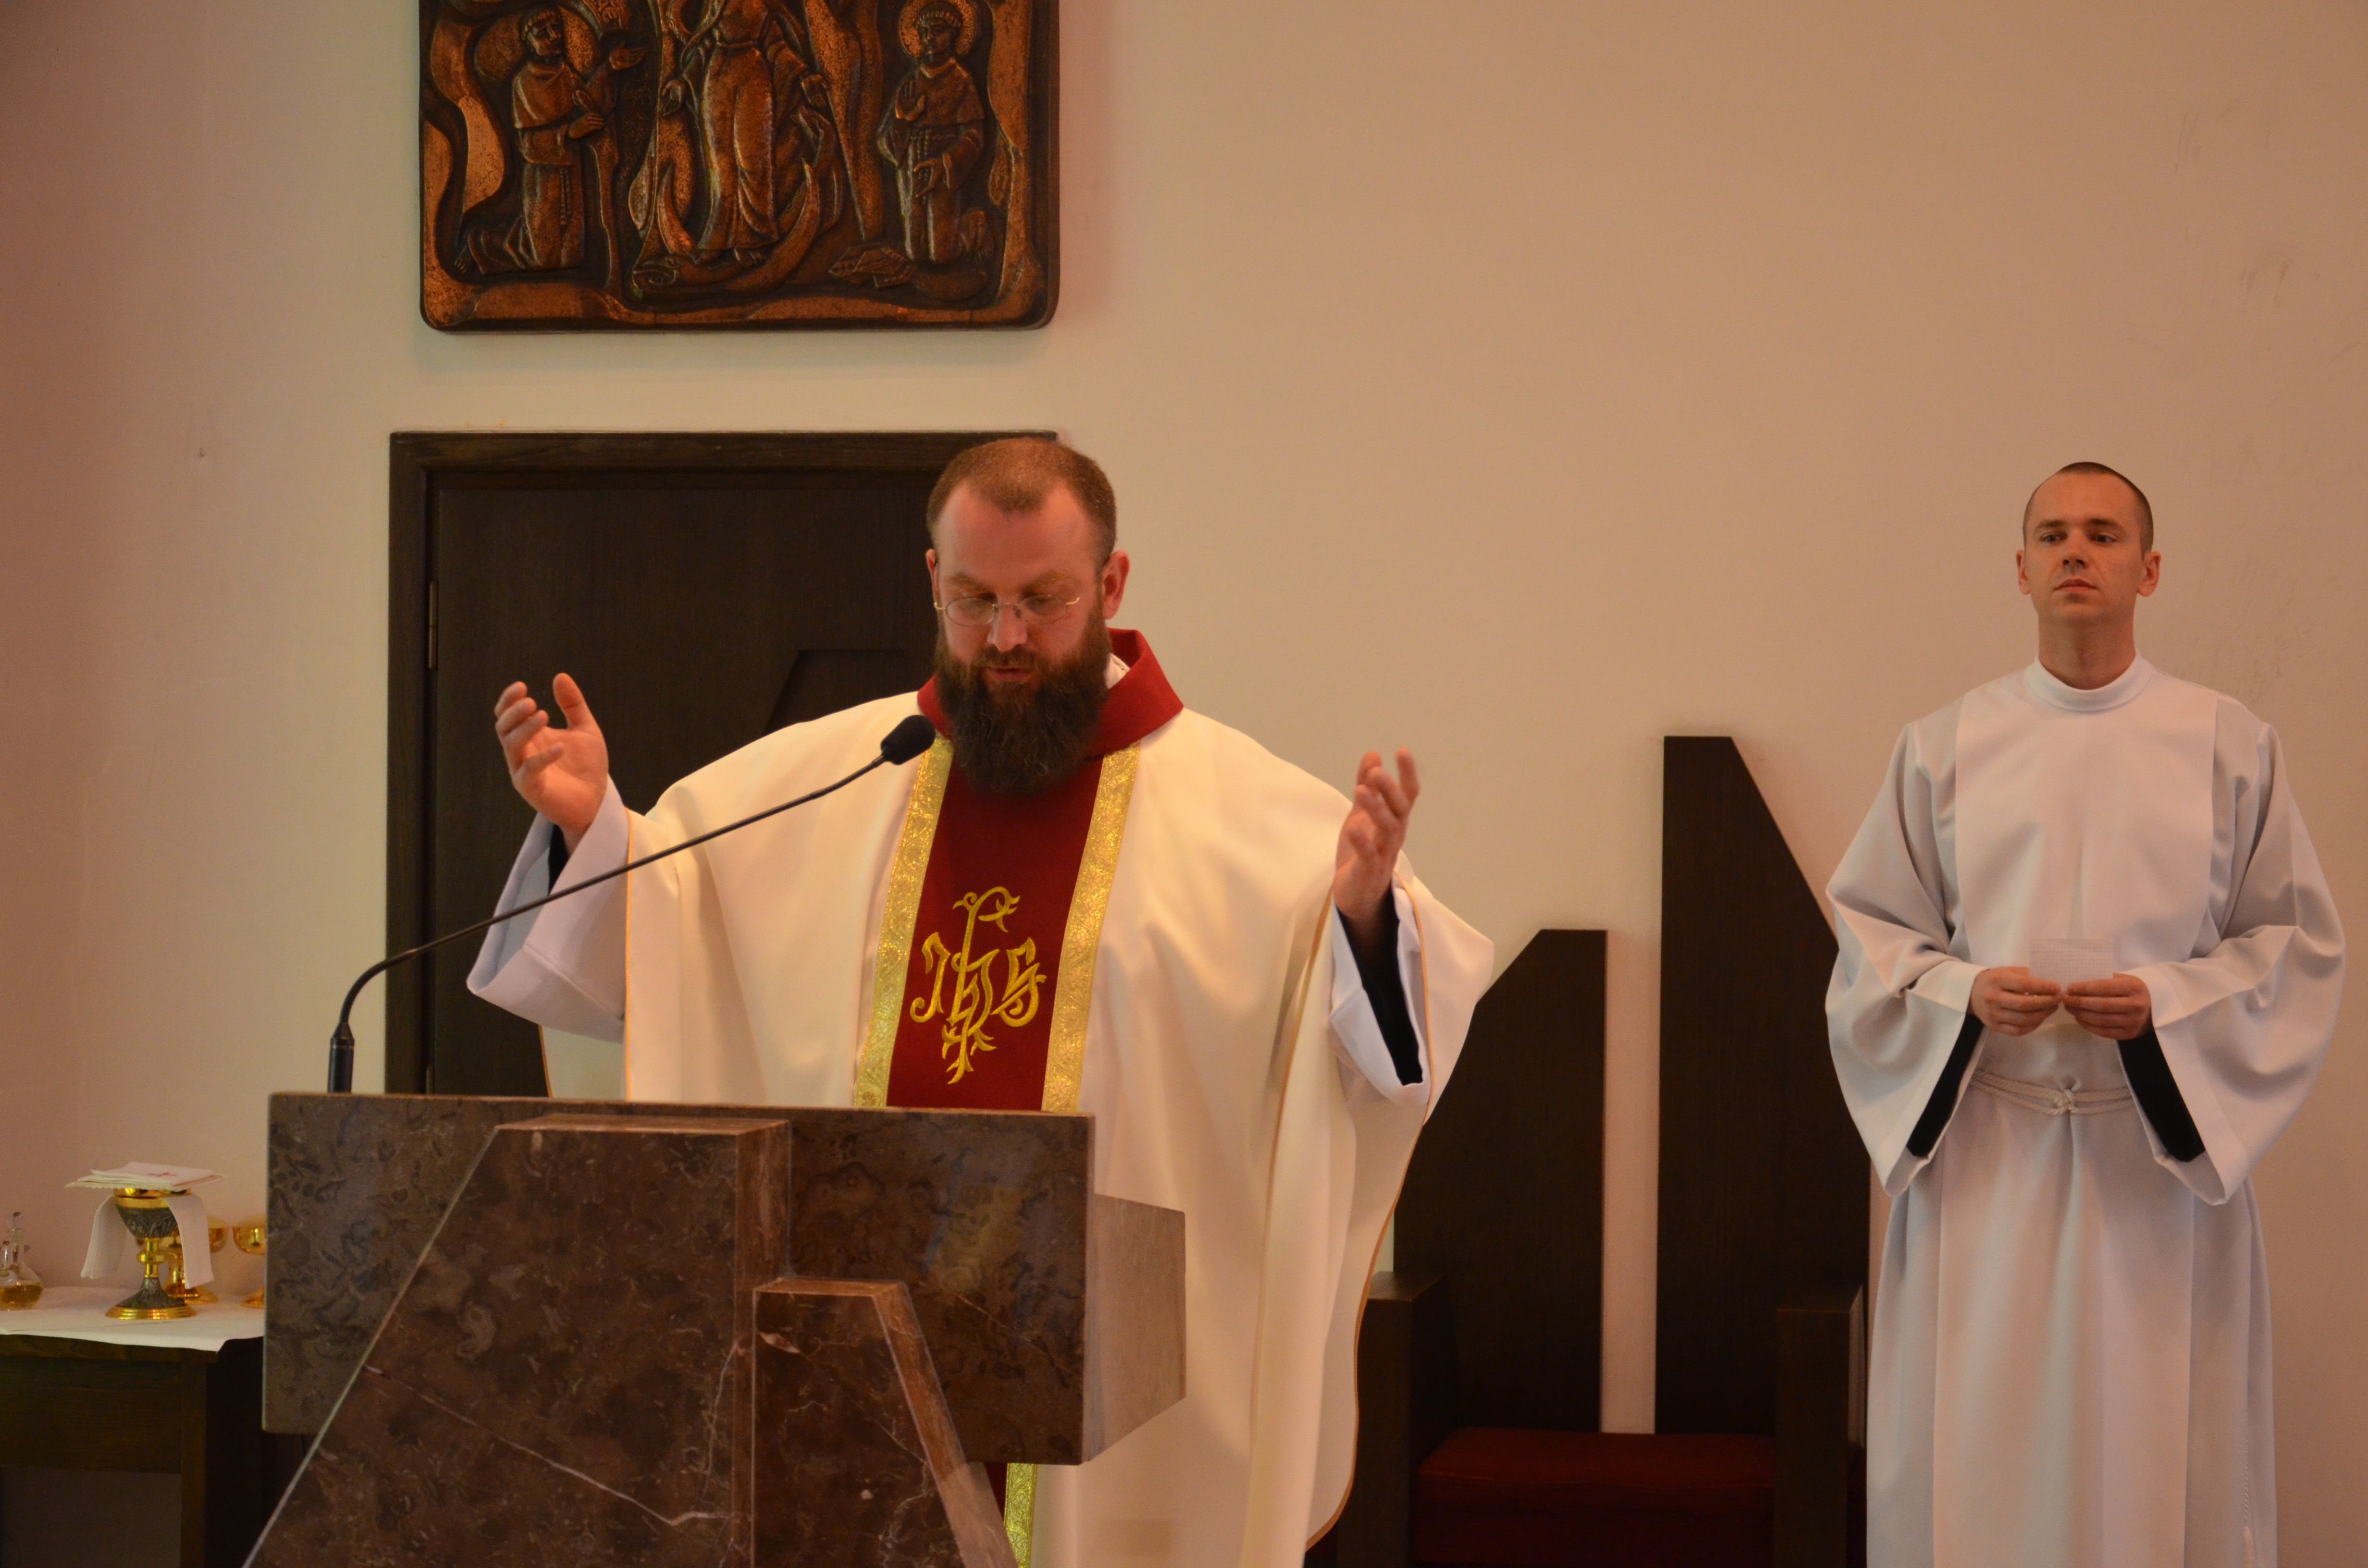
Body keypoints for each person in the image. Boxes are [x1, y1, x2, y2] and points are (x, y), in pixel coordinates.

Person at [469, 437, 1492, 1568]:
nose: (1005, 637)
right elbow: (669, 936)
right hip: (857, 1361)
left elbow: (1380, 1050)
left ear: (1110, 584)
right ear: (933, 581)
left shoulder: (1252, 818)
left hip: (1116, 1393)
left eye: (1042, 601)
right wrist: (592, 831)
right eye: (975, 601)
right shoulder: (836, 775)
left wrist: (1361, 923)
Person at [1826, 462, 2343, 1567]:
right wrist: (1966, 995)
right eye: (2052, 534)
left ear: (2148, 570)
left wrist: (2166, 1006)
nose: (2076, 551)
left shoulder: (2228, 743)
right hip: (1990, 1162)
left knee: (2153, 1465)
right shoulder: (1942, 745)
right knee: (1982, 1459)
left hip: (2153, 1173)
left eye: (2104, 534)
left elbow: (2292, 947)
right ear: (2018, 569)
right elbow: (1871, 941)